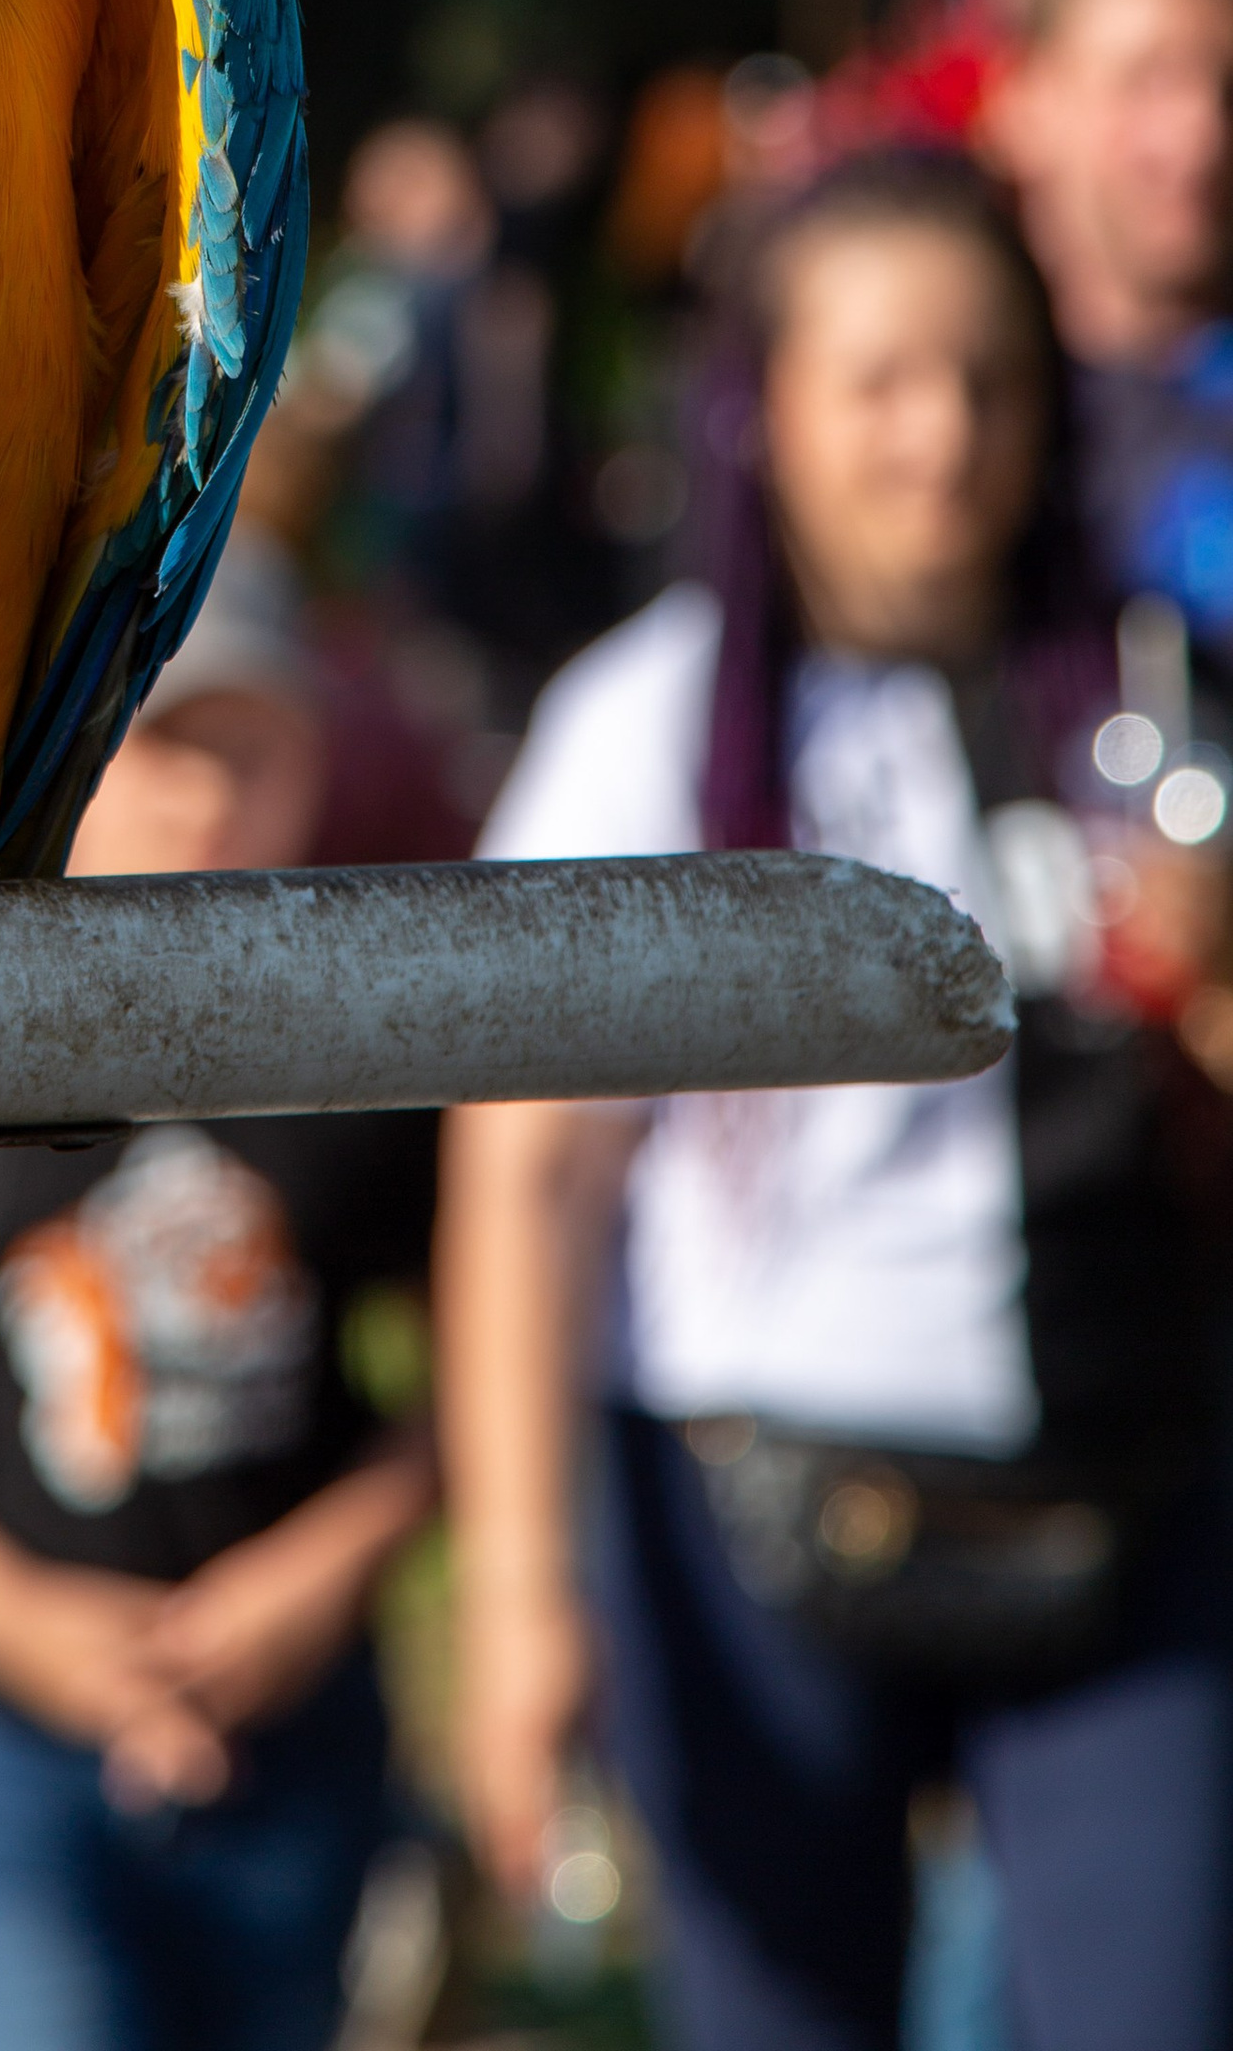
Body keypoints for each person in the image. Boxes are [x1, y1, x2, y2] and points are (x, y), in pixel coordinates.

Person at [440, 146, 1233, 2051]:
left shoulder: (1153, 696)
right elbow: (527, 1176)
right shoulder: (648, 722)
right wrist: (519, 1594)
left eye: (987, 379)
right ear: (764, 413)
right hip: (758, 1529)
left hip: (1125, 1503)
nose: (940, 437)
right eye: (877, 381)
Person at [0, 545, 438, 2051]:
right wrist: (12, 1624)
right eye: (162, 742)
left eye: (248, 748)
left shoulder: (351, 1045)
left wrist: (320, 1577)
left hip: (296, 1730)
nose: (206, 797)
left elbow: (473, 1367)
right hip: (4, 1731)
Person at [986, 0, 1233, 665]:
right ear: (1026, 105)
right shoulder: (965, 406)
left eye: (1226, 86)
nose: (1198, 135)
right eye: (1146, 81)